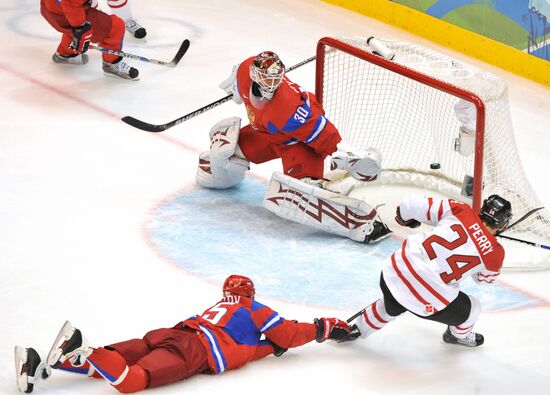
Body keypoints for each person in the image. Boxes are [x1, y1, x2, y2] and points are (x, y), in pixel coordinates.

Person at [15, 274, 355, 393]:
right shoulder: (252, 309)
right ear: (250, 292)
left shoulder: (217, 307)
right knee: (132, 381)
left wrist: (268, 349)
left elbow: (264, 346)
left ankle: (39, 367)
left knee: (114, 361)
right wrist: (322, 327)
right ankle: (82, 348)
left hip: (169, 333)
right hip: (194, 350)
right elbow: (287, 335)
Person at [196, 51, 391, 244]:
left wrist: (345, 154)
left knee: (299, 195)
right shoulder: (245, 71)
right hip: (267, 134)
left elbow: (322, 132)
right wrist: (234, 88)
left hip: (298, 144)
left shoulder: (288, 109)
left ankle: (362, 222)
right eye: (266, 78)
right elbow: (238, 77)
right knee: (225, 153)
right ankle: (228, 174)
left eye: (275, 79)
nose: (271, 84)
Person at [349, 194, 512, 347]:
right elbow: (482, 280)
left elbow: (407, 206)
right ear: (503, 225)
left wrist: (405, 219)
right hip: (426, 300)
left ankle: (356, 329)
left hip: (394, 271)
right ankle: (457, 335)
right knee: (473, 309)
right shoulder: (496, 253)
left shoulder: (460, 209)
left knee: (393, 303)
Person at [40, 0, 139, 80]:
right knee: (116, 26)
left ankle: (66, 54)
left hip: (51, 8)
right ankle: (112, 64)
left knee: (78, 26)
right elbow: (71, 6)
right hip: (65, 14)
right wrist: (81, 31)